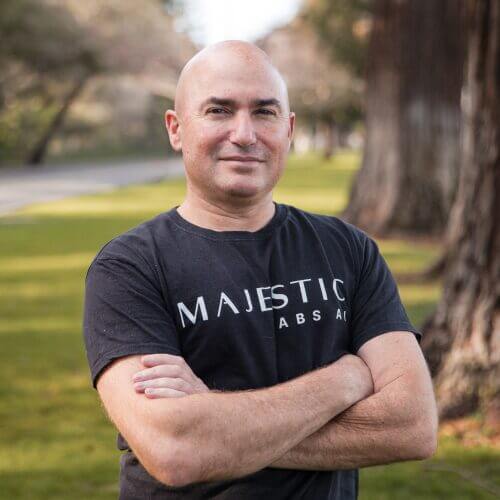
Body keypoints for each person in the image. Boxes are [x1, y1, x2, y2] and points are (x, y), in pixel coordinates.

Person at [83, 40, 438, 499]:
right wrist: (344, 380)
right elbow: (174, 450)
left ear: (288, 129)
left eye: (265, 112)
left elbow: (412, 426)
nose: (245, 134)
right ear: (176, 128)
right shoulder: (128, 267)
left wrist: (214, 421)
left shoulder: (348, 249)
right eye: (219, 110)